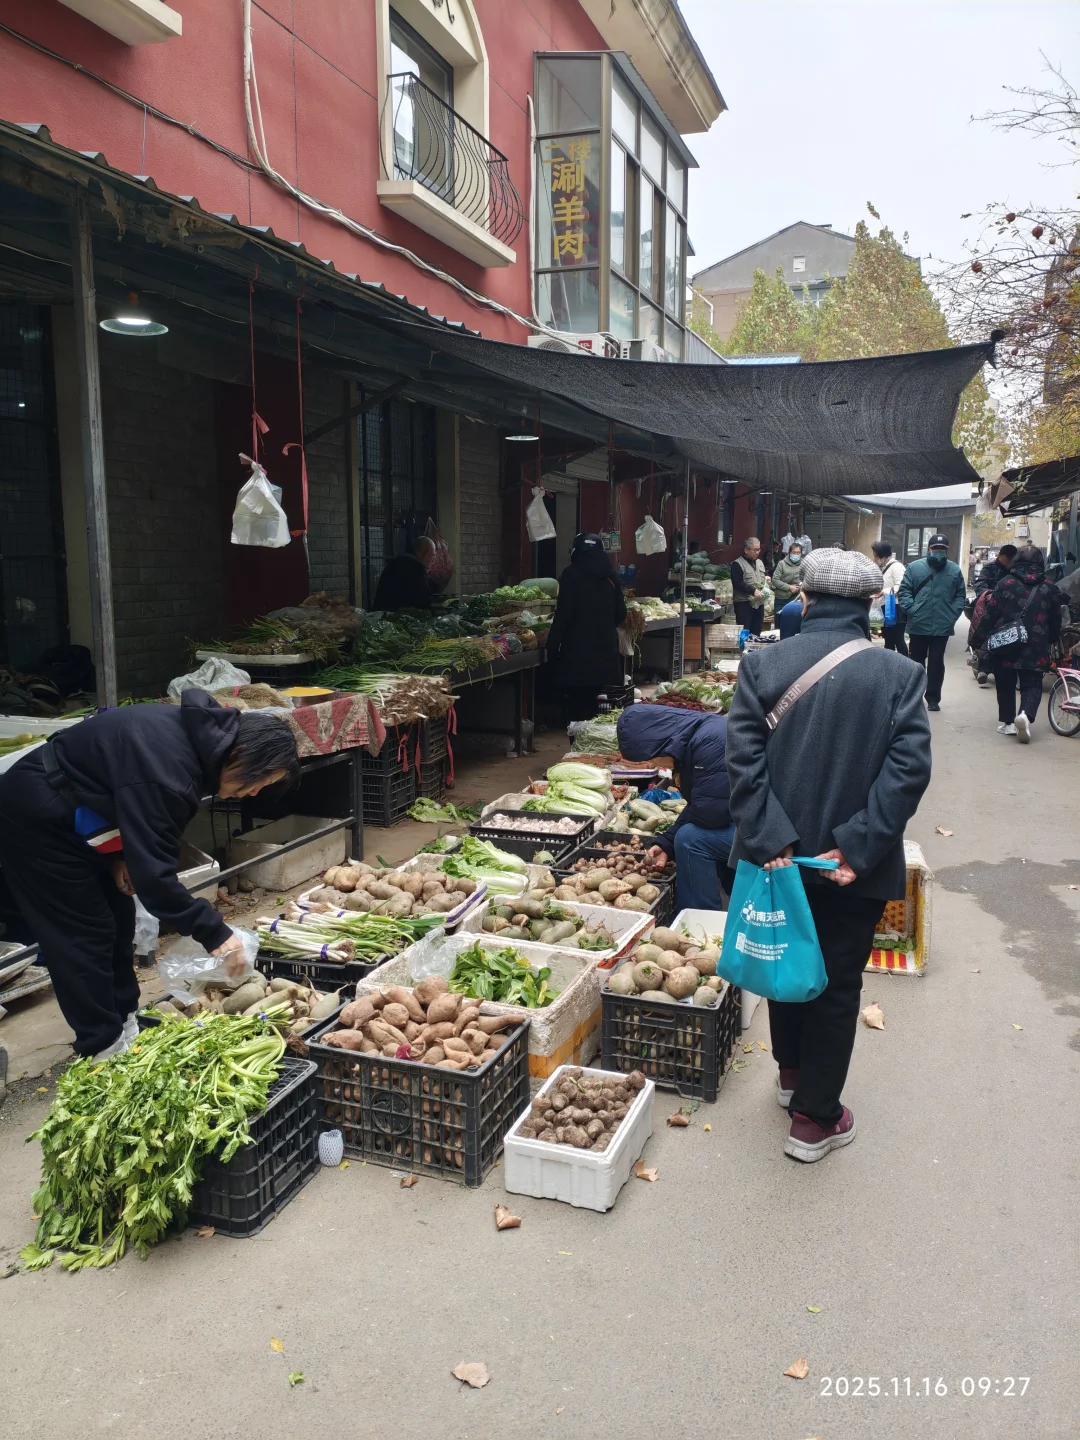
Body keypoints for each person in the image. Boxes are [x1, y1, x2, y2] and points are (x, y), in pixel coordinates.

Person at [726, 550, 931, 1162]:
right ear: (870, 604)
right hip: (851, 870)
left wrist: (775, 842)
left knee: (786, 965)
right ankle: (815, 1119)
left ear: (805, 599)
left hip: (775, 864)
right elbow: (909, 770)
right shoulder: (898, 674)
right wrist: (858, 843)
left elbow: (743, 764)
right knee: (837, 985)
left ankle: (792, 1077)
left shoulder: (761, 664)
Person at [0, 692, 300, 1060]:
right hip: (37, 816)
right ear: (244, 754)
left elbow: (136, 808)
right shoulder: (171, 769)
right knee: (82, 936)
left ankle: (125, 1022)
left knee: (118, 919)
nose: (253, 792)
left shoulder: (199, 744)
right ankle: (102, 1049)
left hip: (83, 812)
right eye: (259, 780)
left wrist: (125, 855)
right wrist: (216, 934)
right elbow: (156, 882)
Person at [616, 704, 733, 911]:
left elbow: (712, 814)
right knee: (686, 836)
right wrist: (667, 843)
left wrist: (675, 840)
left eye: (650, 756)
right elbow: (704, 804)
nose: (653, 763)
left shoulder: (709, 742)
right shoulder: (698, 735)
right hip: (750, 820)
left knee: (690, 840)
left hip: (769, 830)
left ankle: (699, 918)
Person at [969, 543, 1064, 742]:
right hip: (1037, 645)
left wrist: (978, 639)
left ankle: (1008, 723)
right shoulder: (1049, 587)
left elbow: (991, 613)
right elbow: (1056, 618)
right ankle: (1025, 716)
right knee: (1032, 683)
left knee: (1005, 683)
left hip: (1007, 642)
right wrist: (1053, 639)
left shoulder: (1006, 583)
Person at [546, 532, 627, 723]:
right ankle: (597, 750)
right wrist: (604, 626)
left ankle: (578, 750)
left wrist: (551, 647)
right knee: (602, 714)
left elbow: (563, 615)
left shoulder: (570, 575)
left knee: (577, 713)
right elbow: (621, 613)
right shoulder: (611, 576)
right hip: (607, 656)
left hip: (577, 658)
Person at [897, 533, 967, 711]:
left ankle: (933, 698)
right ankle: (914, 696)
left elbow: (960, 595)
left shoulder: (954, 570)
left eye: (942, 549)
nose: (939, 552)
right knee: (916, 662)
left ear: (947, 550)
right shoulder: (914, 568)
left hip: (942, 626)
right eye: (936, 548)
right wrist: (912, 610)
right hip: (918, 624)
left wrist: (952, 615)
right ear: (929, 548)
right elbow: (904, 592)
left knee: (936, 663)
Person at [372, 536, 435, 611]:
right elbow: (424, 599)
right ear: (427, 553)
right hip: (394, 617)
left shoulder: (397, 561)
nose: (432, 560)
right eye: (432, 556)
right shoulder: (417, 566)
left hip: (381, 613)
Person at [871, 540, 908, 656]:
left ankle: (906, 664)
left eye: (875, 555)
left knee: (898, 639)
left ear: (881, 554)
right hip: (887, 607)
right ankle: (889, 667)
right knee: (888, 639)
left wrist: (884, 591)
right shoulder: (885, 567)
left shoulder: (896, 567)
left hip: (896, 608)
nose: (874, 558)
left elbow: (901, 585)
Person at [731, 536, 767, 637]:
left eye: (759, 549)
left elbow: (761, 579)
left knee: (757, 632)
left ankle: (755, 651)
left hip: (759, 603)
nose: (757, 552)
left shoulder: (760, 563)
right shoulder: (737, 564)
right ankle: (744, 652)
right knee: (745, 632)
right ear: (746, 550)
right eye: (755, 550)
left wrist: (767, 580)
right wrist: (753, 590)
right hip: (744, 603)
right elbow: (737, 583)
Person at [769, 539, 805, 607]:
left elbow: (807, 580)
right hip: (781, 598)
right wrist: (789, 587)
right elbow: (775, 580)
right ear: (789, 552)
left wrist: (799, 587)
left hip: (797, 598)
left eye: (798, 553)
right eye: (794, 552)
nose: (796, 554)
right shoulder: (782, 564)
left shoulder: (804, 564)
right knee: (779, 617)